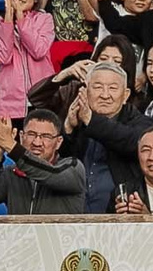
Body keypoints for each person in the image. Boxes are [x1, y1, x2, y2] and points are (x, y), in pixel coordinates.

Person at [59, 61, 146, 216]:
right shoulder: (79, 120)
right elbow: (61, 165)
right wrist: (69, 129)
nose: (105, 95)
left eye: (112, 88)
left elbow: (133, 142)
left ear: (125, 95)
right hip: (75, 216)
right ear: (85, 91)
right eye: (98, 87)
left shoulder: (139, 122)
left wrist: (90, 120)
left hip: (118, 216)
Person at [0, 107, 85, 215]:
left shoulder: (73, 168)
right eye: (31, 134)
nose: (37, 143)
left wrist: (10, 146)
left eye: (46, 136)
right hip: (19, 233)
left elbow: (48, 174)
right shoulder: (12, 172)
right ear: (21, 137)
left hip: (58, 233)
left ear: (58, 142)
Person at [0, 0, 57, 121]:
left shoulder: (44, 19)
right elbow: (3, 58)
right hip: (10, 104)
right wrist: (9, 22)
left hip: (41, 98)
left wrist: (21, 19)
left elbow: (38, 50)